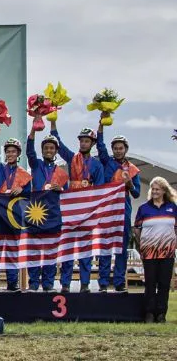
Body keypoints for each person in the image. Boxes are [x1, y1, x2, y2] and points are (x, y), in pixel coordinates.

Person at [51, 121, 105, 293]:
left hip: (87, 211)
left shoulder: (97, 165)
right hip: (70, 210)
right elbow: (58, 144)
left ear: (93, 144)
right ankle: (65, 284)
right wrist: (53, 122)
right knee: (67, 247)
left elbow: (100, 188)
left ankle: (85, 284)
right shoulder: (72, 158)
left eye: (87, 141)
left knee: (85, 249)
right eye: (81, 140)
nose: (83, 143)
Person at [97, 118, 141, 292]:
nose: (117, 150)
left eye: (120, 148)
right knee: (105, 246)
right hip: (107, 210)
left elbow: (137, 193)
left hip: (123, 209)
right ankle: (102, 282)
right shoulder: (107, 162)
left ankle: (119, 282)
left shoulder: (133, 169)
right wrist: (101, 124)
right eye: (115, 148)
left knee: (121, 249)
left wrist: (130, 184)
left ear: (126, 149)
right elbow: (100, 146)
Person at [0, 135, 31, 292]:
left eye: (13, 151)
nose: (10, 154)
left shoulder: (24, 174)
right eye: (8, 151)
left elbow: (30, 197)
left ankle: (13, 283)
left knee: (13, 250)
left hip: (14, 216)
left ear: (18, 154)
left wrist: (23, 190)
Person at [26, 128, 69, 291]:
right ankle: (34, 283)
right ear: (42, 150)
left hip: (53, 217)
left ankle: (48, 284)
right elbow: (29, 151)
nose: (48, 150)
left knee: (51, 253)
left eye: (52, 148)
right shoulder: (36, 165)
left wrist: (62, 190)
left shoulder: (62, 174)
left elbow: (67, 197)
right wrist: (33, 132)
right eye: (46, 148)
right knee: (35, 252)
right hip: (36, 215)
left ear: (56, 151)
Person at [133, 177, 176, 323]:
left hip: (168, 253)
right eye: (153, 189)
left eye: (158, 189)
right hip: (149, 253)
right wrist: (143, 244)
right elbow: (136, 230)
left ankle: (161, 314)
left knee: (164, 284)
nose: (155, 191)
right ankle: (150, 313)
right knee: (150, 283)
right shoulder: (144, 208)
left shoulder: (173, 207)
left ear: (164, 190)